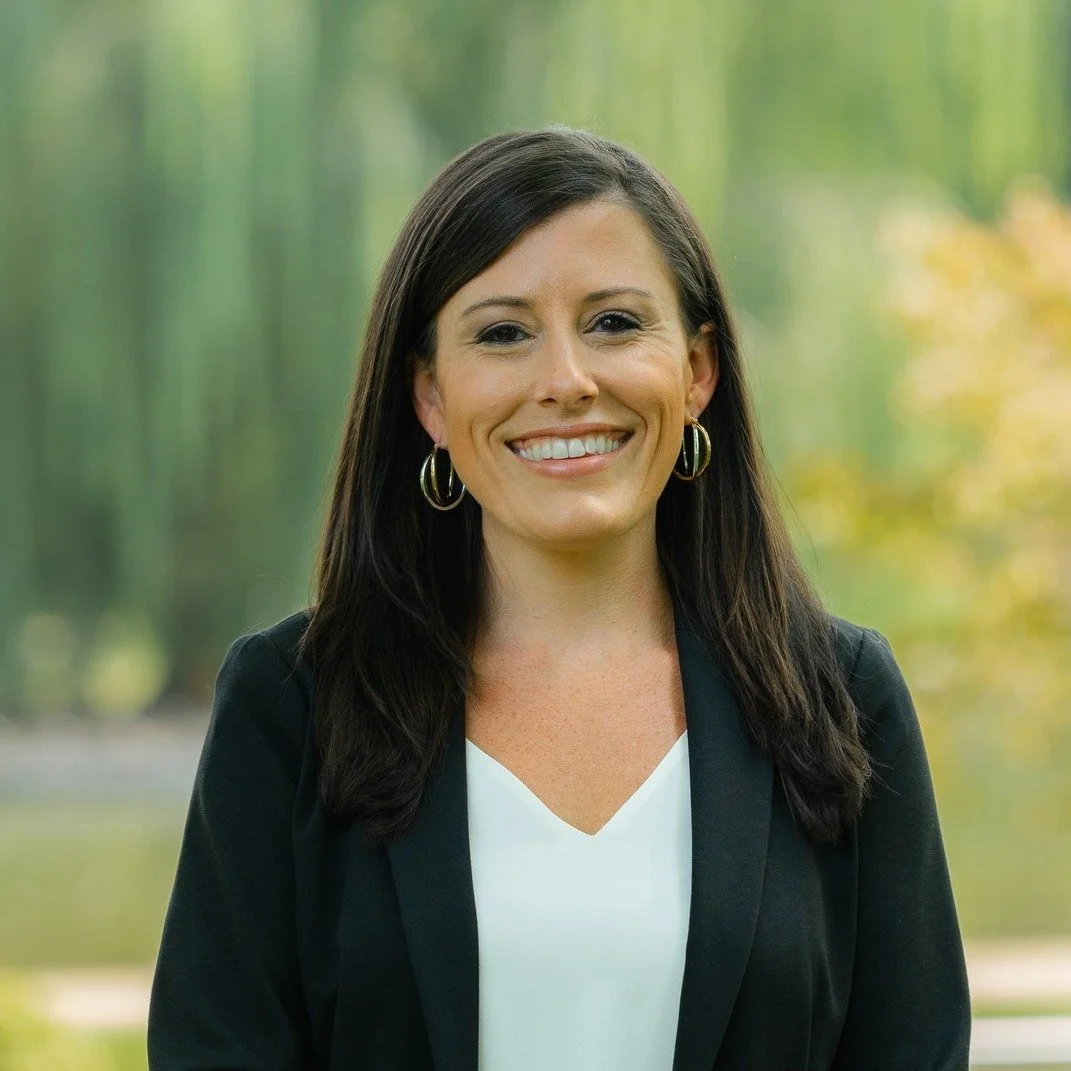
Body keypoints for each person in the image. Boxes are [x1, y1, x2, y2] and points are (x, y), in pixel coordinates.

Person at [147, 127, 971, 1070]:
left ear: (697, 371)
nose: (566, 382)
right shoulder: (291, 706)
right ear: (428, 396)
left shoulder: (839, 697)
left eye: (614, 322)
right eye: (502, 333)